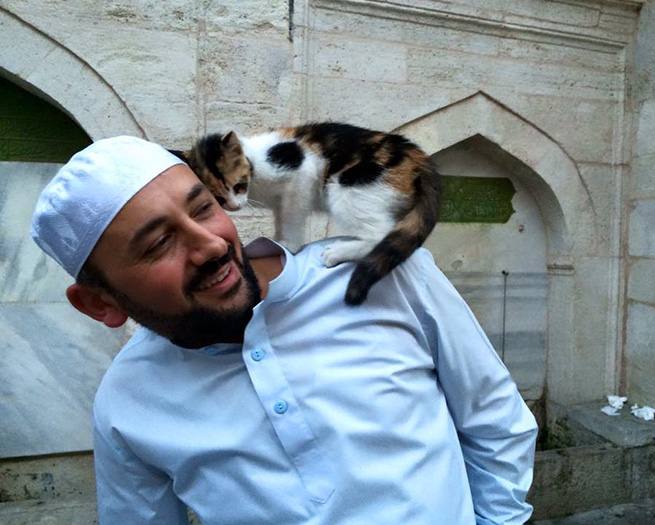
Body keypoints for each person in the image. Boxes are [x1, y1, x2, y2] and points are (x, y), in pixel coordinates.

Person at [31, 136, 538, 524]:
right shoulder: (126, 404)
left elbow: (496, 422)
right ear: (101, 304)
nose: (209, 244)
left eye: (204, 207)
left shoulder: (386, 276)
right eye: (159, 242)